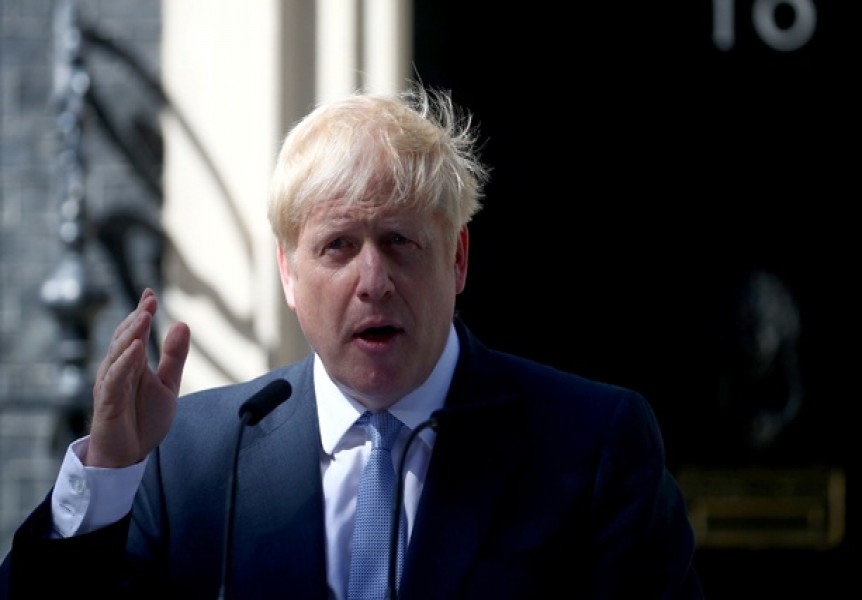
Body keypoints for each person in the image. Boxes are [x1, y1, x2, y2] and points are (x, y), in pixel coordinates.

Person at [0, 84, 704, 599]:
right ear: (288, 272)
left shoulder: (593, 445)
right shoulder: (186, 461)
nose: (374, 281)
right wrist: (109, 471)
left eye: (400, 242)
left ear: (457, 259)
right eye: (337, 246)